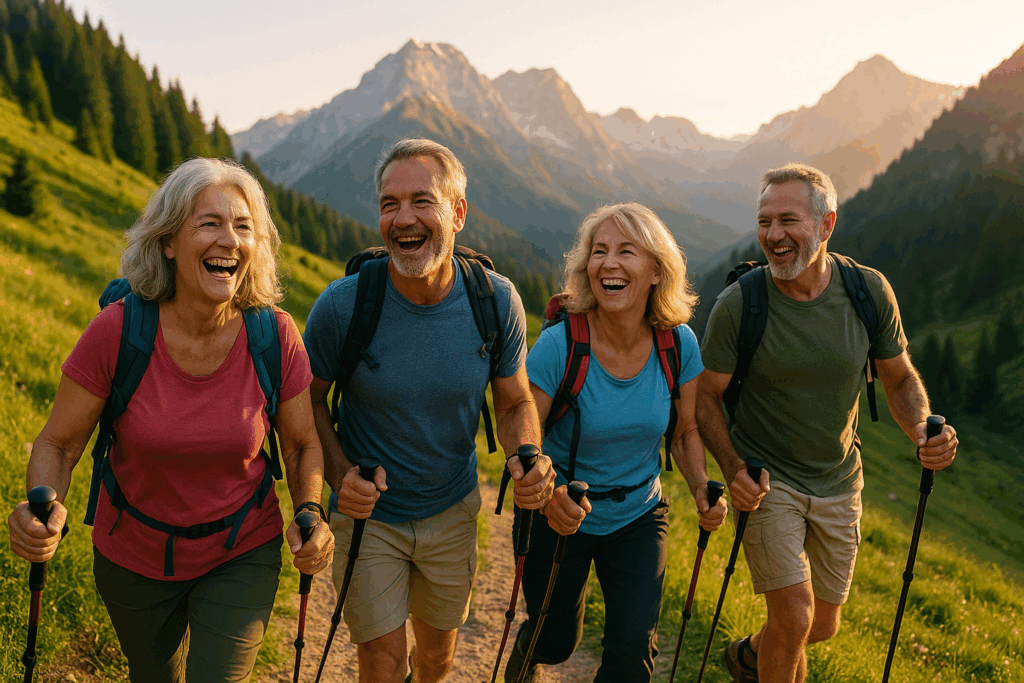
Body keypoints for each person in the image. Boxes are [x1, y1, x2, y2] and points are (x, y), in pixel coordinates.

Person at [6, 157, 334, 683]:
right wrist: (40, 510)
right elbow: (59, 444)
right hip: (133, 553)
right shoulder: (118, 331)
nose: (230, 240)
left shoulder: (274, 335)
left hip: (241, 548)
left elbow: (300, 446)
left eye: (243, 226)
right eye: (209, 223)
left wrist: (311, 510)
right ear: (168, 242)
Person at [303, 138, 555, 683]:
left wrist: (528, 454)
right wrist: (340, 475)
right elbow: (307, 400)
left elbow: (514, 401)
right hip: (370, 518)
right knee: (383, 662)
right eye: (389, 204)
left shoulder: (496, 301)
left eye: (422, 201)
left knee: (437, 659)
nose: (403, 218)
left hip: (452, 509)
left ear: (458, 213)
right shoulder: (343, 306)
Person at [696, 163, 958, 683]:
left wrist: (921, 430)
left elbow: (899, 378)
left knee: (820, 624)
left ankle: (748, 656)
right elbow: (705, 399)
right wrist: (732, 467)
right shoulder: (740, 304)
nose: (773, 235)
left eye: (787, 220)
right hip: (768, 480)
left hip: (840, 479)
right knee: (794, 615)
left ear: (826, 224)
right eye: (764, 221)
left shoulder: (867, 292)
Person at [505, 203, 729, 683]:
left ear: (656, 270)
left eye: (627, 251)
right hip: (560, 511)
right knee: (554, 641)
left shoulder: (678, 344)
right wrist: (546, 492)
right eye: (599, 251)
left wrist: (700, 486)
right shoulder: (561, 345)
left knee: (631, 658)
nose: (609, 263)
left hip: (639, 515)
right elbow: (523, 425)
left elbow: (685, 431)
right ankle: (528, 655)